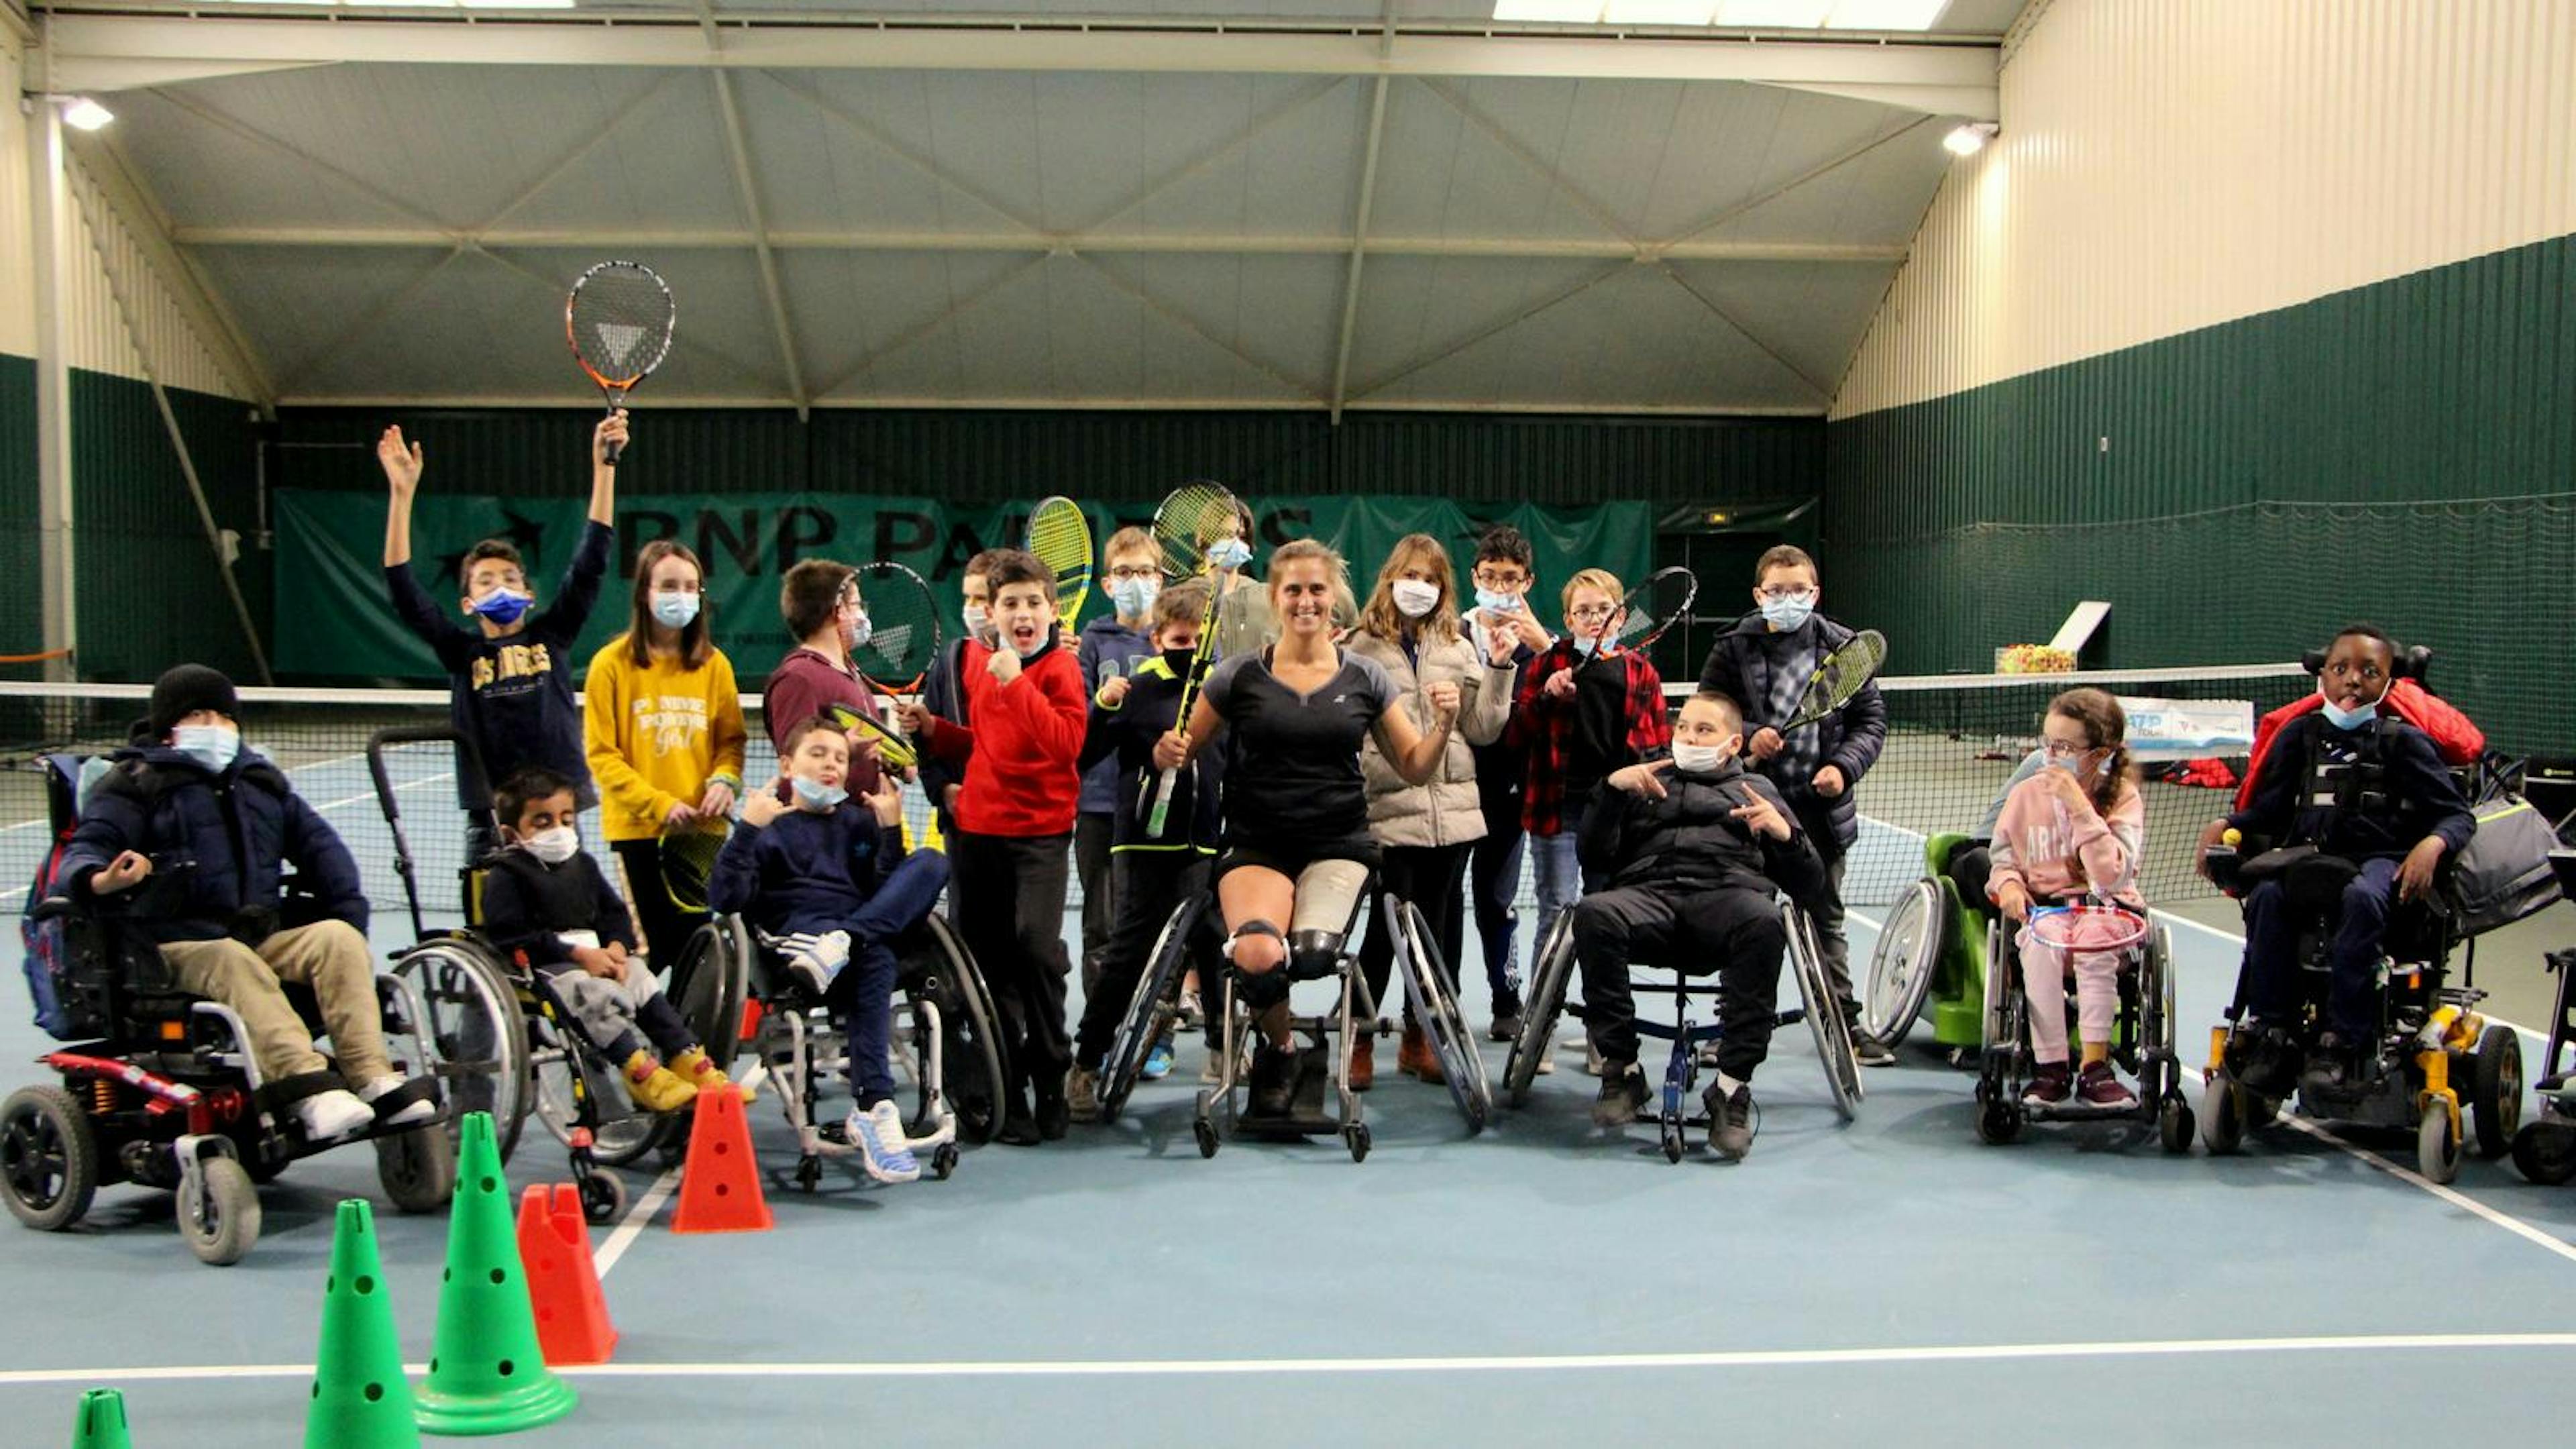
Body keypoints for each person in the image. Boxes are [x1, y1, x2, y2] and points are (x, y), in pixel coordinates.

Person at [60, 665, 437, 1142]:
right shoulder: (132, 783)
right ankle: (306, 1086)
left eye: (223, 715)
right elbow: (86, 849)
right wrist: (100, 879)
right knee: (231, 958)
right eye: (198, 714)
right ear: (168, 726)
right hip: (167, 949)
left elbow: (324, 852)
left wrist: (349, 919)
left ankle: (371, 1076)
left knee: (337, 940)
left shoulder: (262, 783)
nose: (214, 726)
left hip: (255, 937)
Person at [1152, 539, 1460, 1119]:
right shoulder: (1238, 674)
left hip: (1337, 845)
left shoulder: (1365, 676)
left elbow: (1416, 767)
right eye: (1293, 590)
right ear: (1275, 598)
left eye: (1317, 589)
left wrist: (1444, 723)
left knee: (1314, 955)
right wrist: (1168, 751)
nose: (1306, 601)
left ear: (1333, 596)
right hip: (1256, 844)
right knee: (1260, 953)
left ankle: (1291, 1037)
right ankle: (1284, 1049)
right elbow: (1185, 748)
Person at [2195, 625, 2475, 1086]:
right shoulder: (2299, 737)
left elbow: (2457, 817)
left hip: (2380, 861)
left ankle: (2343, 1039)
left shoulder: (2404, 743)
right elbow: (2269, 810)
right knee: (2266, 896)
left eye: (2370, 671)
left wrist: (2433, 842)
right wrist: (2228, 825)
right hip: (2308, 858)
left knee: (2362, 900)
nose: (2353, 680)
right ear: (2323, 675)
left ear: (2388, 682)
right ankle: (2273, 1029)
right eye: (2340, 669)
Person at [1575, 691, 1827, 1160]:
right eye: (1683, 727)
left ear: (1733, 744)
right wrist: (1611, 791)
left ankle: (1730, 1090)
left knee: (1765, 920)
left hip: (1727, 899)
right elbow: (1593, 857)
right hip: (1648, 895)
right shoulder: (1643, 779)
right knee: (1594, 913)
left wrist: (1784, 834)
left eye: (1704, 730)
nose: (1688, 737)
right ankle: (1624, 1071)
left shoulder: (1760, 792)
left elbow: (1810, 885)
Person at [707, 718, 950, 1183]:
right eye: (817, 754)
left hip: (847, 942)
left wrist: (891, 831)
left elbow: (885, 890)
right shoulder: (767, 826)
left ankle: (873, 1107)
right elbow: (725, 900)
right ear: (786, 764)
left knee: (932, 863)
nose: (830, 766)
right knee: (877, 952)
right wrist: (747, 831)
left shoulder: (859, 820)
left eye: (840, 758)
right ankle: (875, 1106)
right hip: (798, 943)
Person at [378, 416, 619, 856]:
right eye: (486, 581)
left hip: (557, 810)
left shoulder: (554, 635)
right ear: (467, 603)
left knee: (570, 913)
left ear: (528, 595)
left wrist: (605, 470)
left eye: (510, 577)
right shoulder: (462, 651)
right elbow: (403, 590)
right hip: (491, 817)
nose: (500, 585)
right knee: (491, 920)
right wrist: (401, 495)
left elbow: (592, 561)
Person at [915, 549, 1090, 1144]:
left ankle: (1052, 1075)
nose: (1022, 613)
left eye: (1032, 603)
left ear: (1052, 610)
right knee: (988, 968)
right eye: (1009, 604)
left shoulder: (1062, 670)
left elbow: (1065, 743)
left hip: (1040, 835)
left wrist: (1017, 682)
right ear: (990, 612)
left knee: (1038, 951)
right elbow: (985, 742)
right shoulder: (973, 663)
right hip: (979, 835)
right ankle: (1006, 1087)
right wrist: (936, 731)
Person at [1695, 545, 1892, 1067]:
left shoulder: (1844, 649)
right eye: (1776, 591)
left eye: (1798, 590)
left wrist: (1842, 768)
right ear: (1759, 594)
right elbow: (1708, 711)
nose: (1788, 599)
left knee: (1824, 922)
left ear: (1815, 592)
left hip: (1819, 815)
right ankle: (1730, 1029)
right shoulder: (1733, 647)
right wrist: (1751, 735)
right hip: (1750, 809)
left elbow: (1870, 723)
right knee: (1741, 923)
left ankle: (1844, 1028)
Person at [1344, 533, 1516, 1089]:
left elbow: (1485, 728)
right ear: (1390, 578)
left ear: (1443, 588)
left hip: (1456, 814)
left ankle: (1423, 1036)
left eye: (1430, 579)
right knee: (1383, 930)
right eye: (1409, 575)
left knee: (1440, 930)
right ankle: (1361, 1036)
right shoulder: (1358, 647)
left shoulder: (1460, 644)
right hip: (1388, 813)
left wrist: (1500, 668)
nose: (1417, 587)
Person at [478, 767, 743, 1113]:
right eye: (542, 822)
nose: (558, 829)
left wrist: (618, 948)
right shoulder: (506, 875)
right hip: (548, 966)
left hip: (601, 956)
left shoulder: (583, 864)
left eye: (566, 819)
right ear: (512, 833)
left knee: (641, 979)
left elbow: (614, 914)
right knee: (595, 994)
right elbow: (512, 935)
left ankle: (688, 1060)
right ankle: (640, 1073)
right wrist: (581, 956)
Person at [1064, 581, 1224, 1118]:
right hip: (1145, 844)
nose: (1190, 647)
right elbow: (1088, 754)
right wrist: (1110, 716)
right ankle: (1086, 1062)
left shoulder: (1225, 690)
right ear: (1158, 639)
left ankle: (1223, 1051)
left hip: (1206, 843)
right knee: (1128, 952)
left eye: (1200, 639)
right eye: (1180, 639)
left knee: (1213, 945)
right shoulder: (1138, 689)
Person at [582, 539, 747, 963]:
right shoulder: (610, 665)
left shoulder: (715, 665)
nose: (682, 595)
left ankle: (687, 1031)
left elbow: (731, 743)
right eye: (670, 585)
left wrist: (725, 782)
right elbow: (602, 755)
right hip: (639, 833)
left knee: (699, 948)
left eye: (691, 587)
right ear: (644, 592)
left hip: (701, 835)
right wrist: (658, 804)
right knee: (650, 951)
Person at [1986, 689, 2147, 1110]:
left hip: (2107, 910)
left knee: (2095, 939)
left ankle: (2096, 1068)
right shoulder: (2025, 796)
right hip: (2048, 911)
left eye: (2065, 747)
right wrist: (2009, 886)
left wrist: (2080, 808)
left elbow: (2111, 874)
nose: (2052, 756)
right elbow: (2003, 858)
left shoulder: (2123, 798)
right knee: (2041, 943)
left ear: (2100, 753)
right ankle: (2051, 1068)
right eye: (2047, 743)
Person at [1510, 568, 1673, 971]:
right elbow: (1518, 732)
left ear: (1621, 617)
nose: (1594, 618)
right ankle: (1540, 1018)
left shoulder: (1642, 672)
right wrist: (1548, 696)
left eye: (1604, 609)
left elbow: (1659, 747)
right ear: (1568, 620)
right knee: (1556, 910)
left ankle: (1601, 1025)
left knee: (1608, 916)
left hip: (1616, 814)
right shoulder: (1547, 664)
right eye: (1583, 611)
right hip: (1559, 809)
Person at [1462, 526, 1552, 1043]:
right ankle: (1435, 1006)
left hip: (1510, 797)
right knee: (1443, 906)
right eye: (1491, 576)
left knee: (1496, 903)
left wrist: (1548, 649)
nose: (1499, 586)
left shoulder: (1544, 648)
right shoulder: (1451, 634)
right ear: (1474, 577)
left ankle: (1506, 1000)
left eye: (1510, 578)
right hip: (1450, 794)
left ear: (1528, 582)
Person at [1075, 527, 1165, 997]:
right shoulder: (1092, 642)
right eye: (1125, 573)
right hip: (1097, 804)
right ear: (1108, 584)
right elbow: (1079, 724)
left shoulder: (1173, 639)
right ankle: (1101, 1028)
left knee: (1152, 921)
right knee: (1101, 924)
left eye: (1146, 572)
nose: (1136, 581)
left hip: (1158, 803)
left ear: (1161, 580)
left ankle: (1155, 1031)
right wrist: (1104, 704)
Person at [761, 558, 888, 791]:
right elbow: (796, 767)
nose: (862, 615)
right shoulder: (798, 678)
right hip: (822, 825)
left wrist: (892, 762)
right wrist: (845, 748)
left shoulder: (850, 673)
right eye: (857, 605)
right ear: (837, 610)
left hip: (864, 821)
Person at [912, 549, 1001, 841]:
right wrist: (943, 789)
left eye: (981, 598)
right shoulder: (952, 660)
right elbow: (926, 739)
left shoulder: (1040, 663)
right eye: (967, 598)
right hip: (961, 822)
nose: (972, 607)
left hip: (1019, 824)